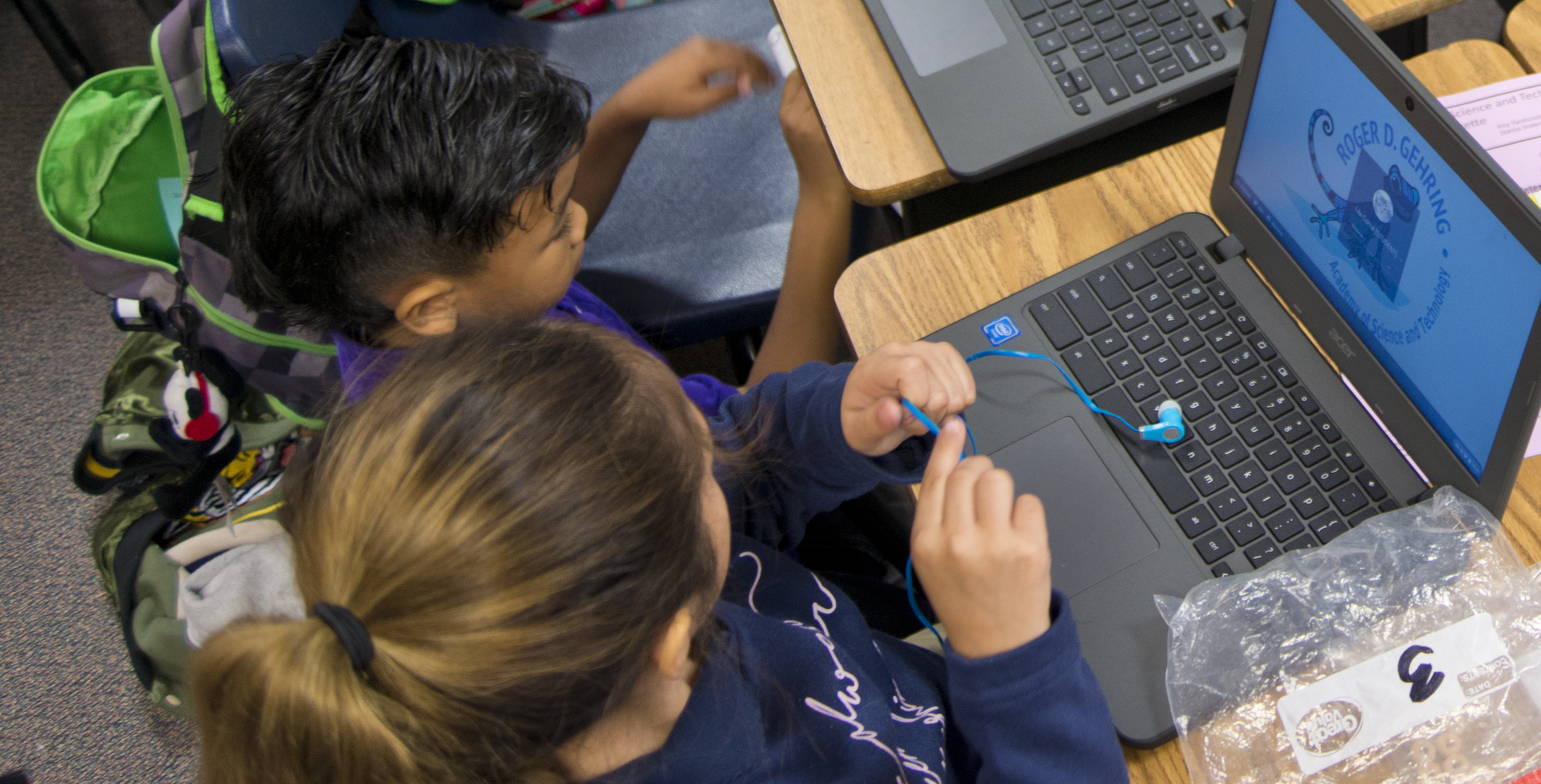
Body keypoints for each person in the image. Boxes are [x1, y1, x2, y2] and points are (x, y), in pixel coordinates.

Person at [189, 322, 1127, 784]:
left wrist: (830, 421)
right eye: (704, 456)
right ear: (679, 639)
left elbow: (738, 492)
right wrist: (1010, 662)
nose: (725, 443)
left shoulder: (571, 633)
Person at [220, 24, 855, 405]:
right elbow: (760, 439)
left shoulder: (390, 294)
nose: (578, 221)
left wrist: (630, 110)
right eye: (560, 229)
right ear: (431, 307)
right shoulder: (548, 422)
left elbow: (519, 243)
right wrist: (825, 197)